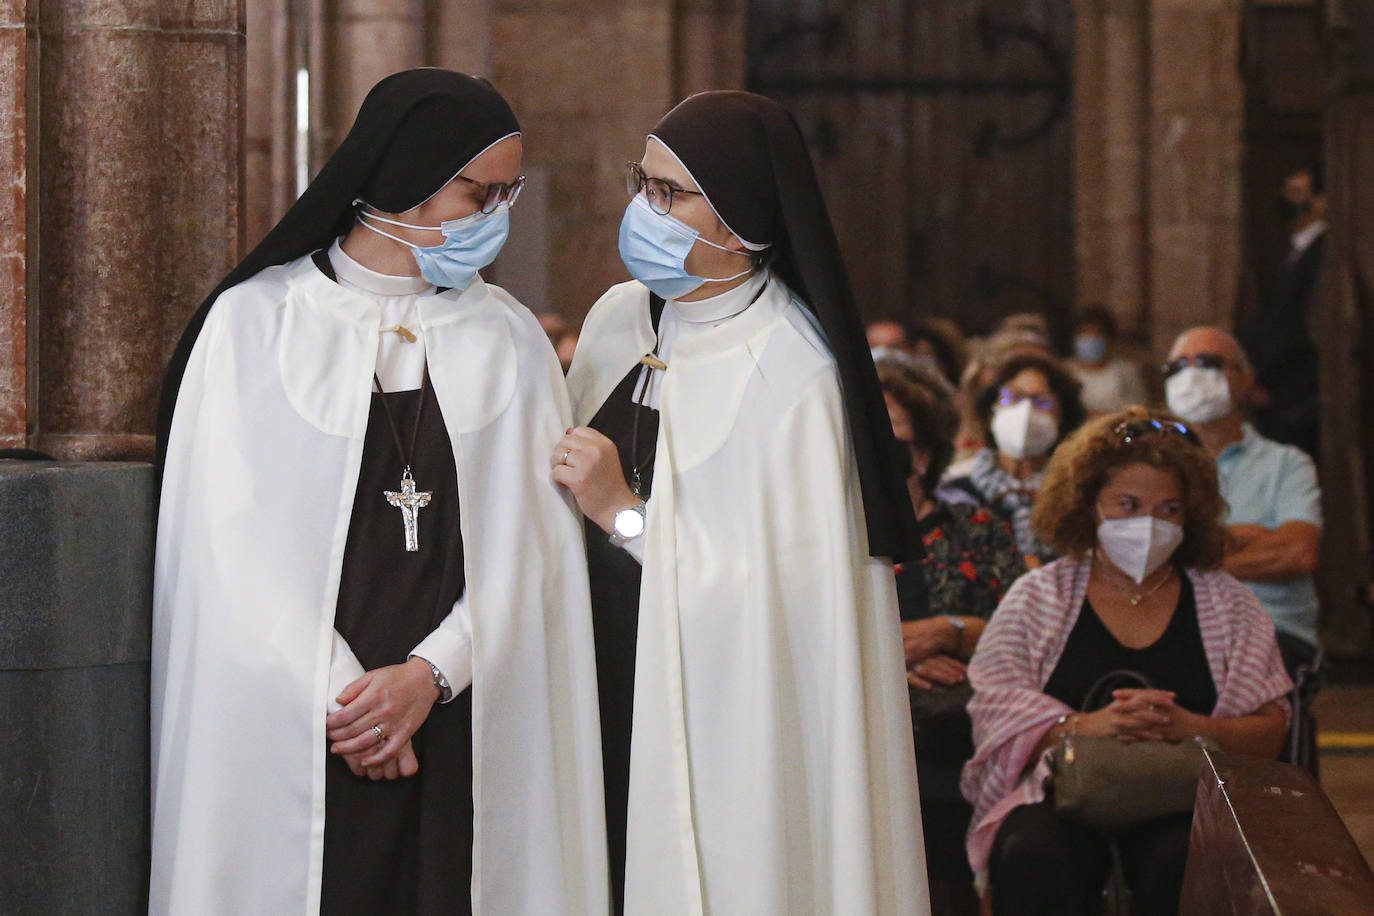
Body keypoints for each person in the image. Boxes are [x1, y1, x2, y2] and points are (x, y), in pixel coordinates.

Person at [150, 70, 608, 915]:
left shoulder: (509, 336)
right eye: (479, 192)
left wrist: (431, 676)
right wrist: (352, 701)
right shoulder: (255, 325)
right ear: (404, 172)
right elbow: (224, 541)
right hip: (305, 711)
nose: (497, 216)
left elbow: (539, 548)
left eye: (508, 193)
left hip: (464, 709)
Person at [560, 90, 929, 914]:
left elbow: (782, 612)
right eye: (641, 183)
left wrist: (623, 514)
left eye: (669, 194)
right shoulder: (620, 319)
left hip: (721, 717)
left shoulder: (796, 373)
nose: (642, 210)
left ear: (741, 223)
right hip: (593, 679)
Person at [962, 407, 1293, 915]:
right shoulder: (1037, 597)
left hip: (1189, 797)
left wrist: (1186, 726)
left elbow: (1270, 730)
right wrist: (1088, 725)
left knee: (1188, 860)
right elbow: (993, 715)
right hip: (1061, 794)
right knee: (1032, 854)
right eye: (1129, 505)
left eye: (1169, 510)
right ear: (1088, 505)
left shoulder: (1228, 602)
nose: (1149, 525)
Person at [878, 357, 1026, 916]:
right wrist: (891, 655)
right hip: (865, 723)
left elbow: (1027, 632)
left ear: (926, 454)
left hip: (960, 729)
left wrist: (948, 631)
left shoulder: (977, 531)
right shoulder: (827, 541)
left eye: (898, 444)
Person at [1164, 327, 1323, 676]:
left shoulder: (1286, 464)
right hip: (1168, 626)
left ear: (1245, 379)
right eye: (1176, 367)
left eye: (1207, 362)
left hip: (1270, 628)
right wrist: (1246, 541)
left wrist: (1187, 562)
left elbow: (1298, 553)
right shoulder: (1154, 467)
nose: (1190, 375)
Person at [943, 352, 1086, 565]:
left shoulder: (1076, 492)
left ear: (1063, 417)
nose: (1026, 410)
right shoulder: (957, 488)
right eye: (1013, 397)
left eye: (1042, 402)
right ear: (992, 410)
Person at [1240, 165, 1326, 458]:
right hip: (1275, 389)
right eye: (1287, 193)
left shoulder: (1324, 252)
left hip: (1295, 392)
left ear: (1320, 201)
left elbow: (1302, 325)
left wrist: (1262, 378)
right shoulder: (1293, 250)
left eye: (1298, 193)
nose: (1288, 201)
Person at [1066, 304, 1147, 417]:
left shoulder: (1126, 371)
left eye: (1097, 333)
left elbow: (1139, 411)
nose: (1091, 338)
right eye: (1085, 332)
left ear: (1109, 339)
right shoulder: (1066, 371)